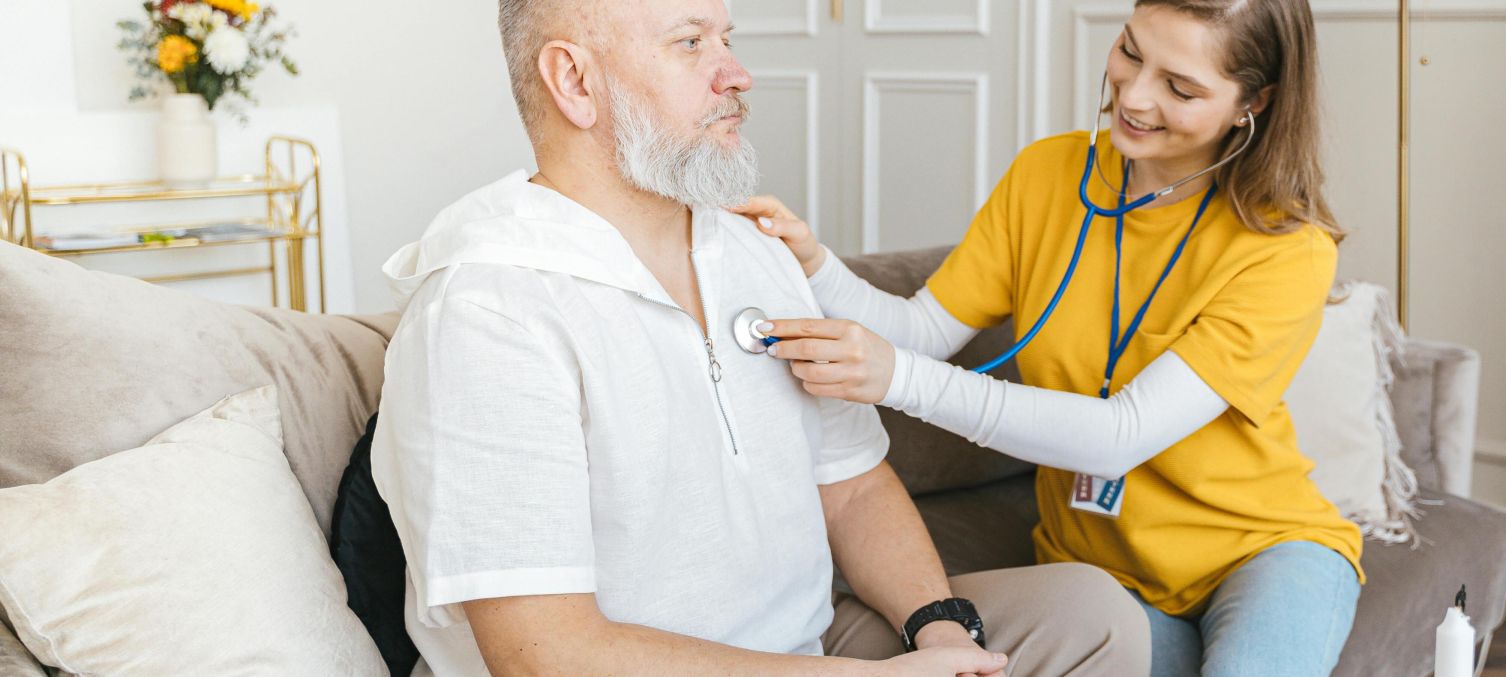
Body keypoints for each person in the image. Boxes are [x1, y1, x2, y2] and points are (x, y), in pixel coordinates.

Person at [370, 0, 1149, 674]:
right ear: (575, 81)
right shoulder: (487, 311)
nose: (737, 73)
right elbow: (546, 654)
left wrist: (938, 628)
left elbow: (851, 487)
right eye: (690, 43)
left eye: (727, 37)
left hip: (812, 642)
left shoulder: (751, 250)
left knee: (1090, 615)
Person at [736, 1, 1361, 675]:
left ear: (1253, 103)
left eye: (1180, 88)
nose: (1136, 95)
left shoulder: (1286, 250)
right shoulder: (1048, 173)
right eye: (1130, 50)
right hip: (1096, 567)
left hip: (1260, 550)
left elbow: (1120, 435)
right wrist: (815, 264)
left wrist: (898, 378)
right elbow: (922, 330)